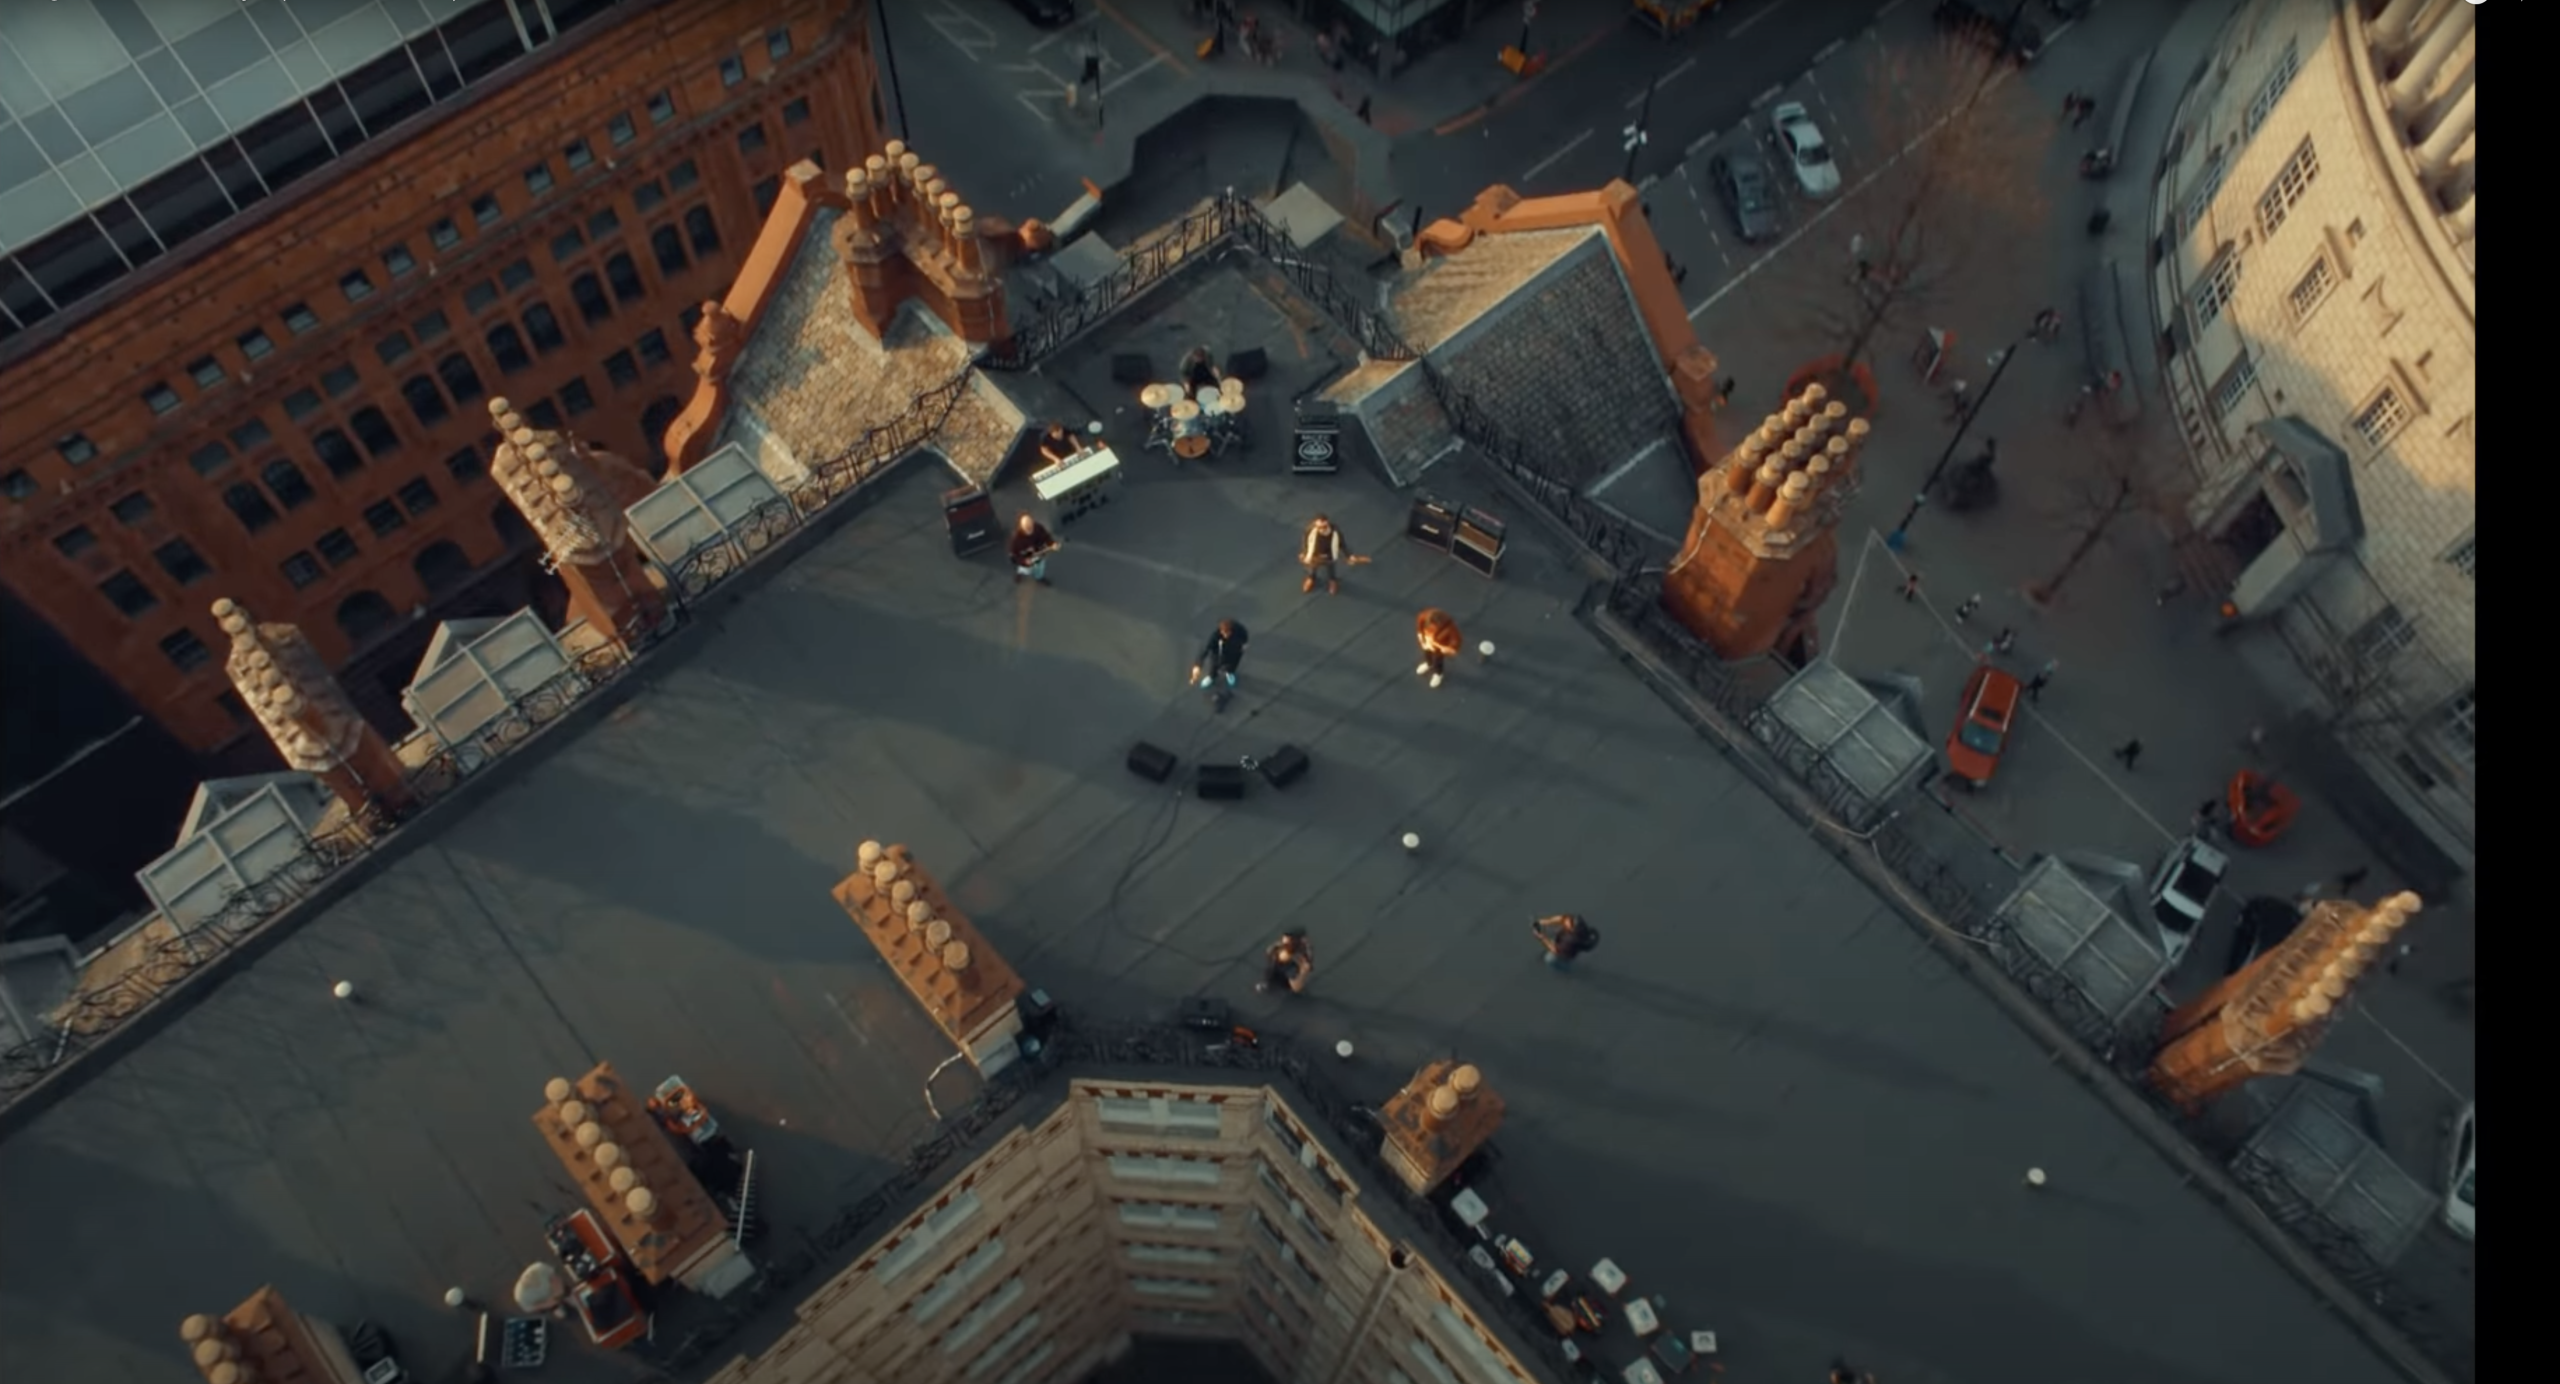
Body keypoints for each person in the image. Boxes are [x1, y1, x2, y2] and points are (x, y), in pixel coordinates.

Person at [1191, 617, 1250, 710]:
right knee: (1214, 665)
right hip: (1218, 653)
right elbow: (1206, 649)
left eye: (1227, 633)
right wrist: (1198, 665)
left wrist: (1244, 644)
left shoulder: (1239, 630)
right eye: (1223, 633)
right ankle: (1212, 677)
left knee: (1231, 665)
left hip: (1234, 652)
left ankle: (1230, 673)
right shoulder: (1216, 636)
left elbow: (1245, 636)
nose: (1225, 635)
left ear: (1231, 631)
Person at [1301, 514, 1355, 593]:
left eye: (1324, 527)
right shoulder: (1310, 530)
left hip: (1329, 556)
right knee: (1312, 568)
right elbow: (1305, 542)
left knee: (1331, 569)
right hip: (1314, 555)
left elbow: (1342, 544)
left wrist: (1349, 555)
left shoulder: (1335, 532)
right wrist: (1305, 553)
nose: (1322, 529)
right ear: (1315, 525)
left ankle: (1332, 581)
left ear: (1328, 523)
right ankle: (1311, 578)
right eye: (1319, 527)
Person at [1532, 914, 1598, 972]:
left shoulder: (1570, 940)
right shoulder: (1575, 922)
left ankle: (1564, 973)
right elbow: (1562, 918)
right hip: (1568, 943)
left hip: (1562, 955)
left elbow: (1555, 950)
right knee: (1557, 933)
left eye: (1567, 923)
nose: (1564, 922)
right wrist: (1542, 922)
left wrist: (1541, 937)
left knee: (1549, 959)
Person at [1416, 608, 1462, 688]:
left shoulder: (1450, 628)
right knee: (1427, 653)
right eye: (1430, 626)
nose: (1431, 629)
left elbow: (1456, 642)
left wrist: (1448, 648)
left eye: (1434, 628)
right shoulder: (1424, 616)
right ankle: (1429, 664)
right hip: (1427, 642)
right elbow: (1420, 625)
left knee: (1438, 660)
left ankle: (1438, 674)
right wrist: (1421, 638)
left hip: (1439, 647)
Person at [1009, 513, 1058, 585]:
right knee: (1024, 569)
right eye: (1027, 528)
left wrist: (1052, 543)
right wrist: (1023, 561)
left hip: (1038, 553)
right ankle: (1020, 574)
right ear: (1022, 527)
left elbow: (1046, 537)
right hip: (1025, 558)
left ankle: (1039, 577)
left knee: (1039, 567)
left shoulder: (1038, 528)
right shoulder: (1017, 538)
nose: (1030, 530)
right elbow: (1014, 554)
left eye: (1031, 526)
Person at [1258, 929, 1313, 994]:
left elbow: (1296, 987)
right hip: (1279, 980)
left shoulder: (1295, 961)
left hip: (1285, 982)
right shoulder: (1277, 953)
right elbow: (1270, 951)